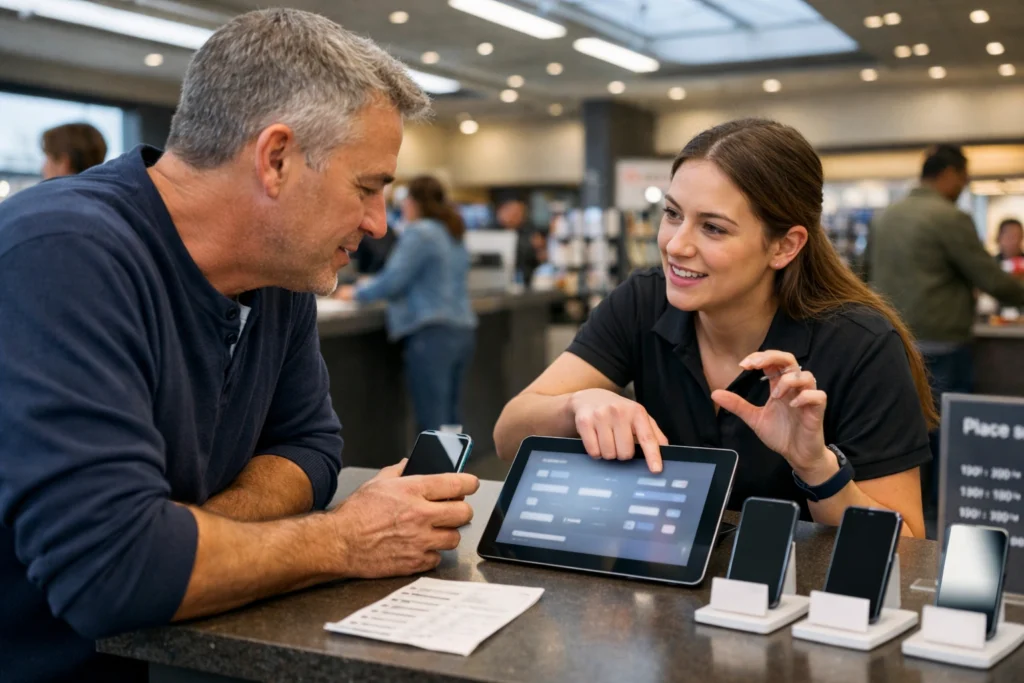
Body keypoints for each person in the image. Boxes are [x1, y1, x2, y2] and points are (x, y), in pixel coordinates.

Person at [0, 10, 479, 683]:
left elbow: (311, 446)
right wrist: (346, 538)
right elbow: (111, 572)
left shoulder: (276, 271)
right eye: (365, 187)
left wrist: (187, 536)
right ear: (276, 159)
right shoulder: (62, 254)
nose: (376, 222)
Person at [494, 118, 933, 538]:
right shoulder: (643, 300)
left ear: (784, 246)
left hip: (793, 599)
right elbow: (508, 437)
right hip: (665, 587)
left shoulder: (862, 345)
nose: (676, 245)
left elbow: (907, 545)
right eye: (672, 214)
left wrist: (816, 467)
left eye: (713, 228)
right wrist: (575, 405)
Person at [870, 145, 1024, 514]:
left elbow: (862, 273)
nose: (965, 184)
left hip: (889, 339)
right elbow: (990, 278)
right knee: (946, 433)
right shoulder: (949, 217)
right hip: (941, 342)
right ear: (951, 173)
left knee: (899, 430)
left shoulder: (885, 217)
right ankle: (943, 511)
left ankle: (908, 510)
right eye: (964, 177)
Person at [336, 176, 477, 432]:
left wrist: (356, 292)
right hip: (461, 329)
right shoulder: (452, 230)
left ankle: (437, 470)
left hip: (431, 331)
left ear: (412, 202)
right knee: (450, 415)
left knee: (432, 416)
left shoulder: (421, 232)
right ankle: (454, 469)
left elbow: (394, 279)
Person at [496, 198, 545, 286]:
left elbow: (540, 257)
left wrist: (540, 248)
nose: (516, 217)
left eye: (519, 213)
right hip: (497, 279)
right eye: (513, 213)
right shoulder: (492, 231)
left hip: (526, 281)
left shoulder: (530, 231)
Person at [40, 122, 108, 179]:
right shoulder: (110, 192)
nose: (43, 168)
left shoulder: (44, 194)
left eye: (48, 158)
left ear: (64, 163)